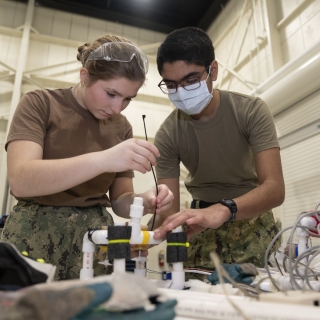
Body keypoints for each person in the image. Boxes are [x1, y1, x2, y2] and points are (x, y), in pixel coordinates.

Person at [1, 34, 173, 281]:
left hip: (95, 243)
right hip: (32, 237)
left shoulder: (120, 126)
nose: (117, 108)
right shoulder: (40, 104)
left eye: (127, 99)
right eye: (111, 93)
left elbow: (120, 201)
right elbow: (21, 180)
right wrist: (104, 159)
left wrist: (144, 201)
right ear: (84, 76)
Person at [152, 27, 285, 273]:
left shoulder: (250, 111)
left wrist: (224, 209)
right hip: (200, 230)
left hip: (253, 226)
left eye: (190, 80)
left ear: (213, 70)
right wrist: (139, 235)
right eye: (171, 85)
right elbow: (167, 213)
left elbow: (275, 189)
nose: (181, 92)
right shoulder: (168, 134)